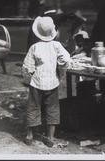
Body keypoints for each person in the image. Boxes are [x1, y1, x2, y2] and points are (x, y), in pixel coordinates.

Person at [22, 16, 72, 147]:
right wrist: (60, 74)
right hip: (52, 82)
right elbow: (66, 60)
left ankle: (29, 136)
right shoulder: (57, 45)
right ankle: (50, 138)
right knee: (52, 109)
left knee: (33, 107)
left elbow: (27, 67)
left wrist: (28, 80)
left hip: (37, 82)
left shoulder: (34, 47)